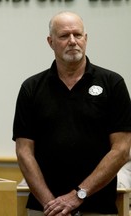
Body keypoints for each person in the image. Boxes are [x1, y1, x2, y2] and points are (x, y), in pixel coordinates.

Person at [13, 11, 131, 216]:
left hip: (97, 206)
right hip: (45, 208)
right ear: (50, 42)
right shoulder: (31, 88)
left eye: (77, 35)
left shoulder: (113, 84)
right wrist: (51, 204)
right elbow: (24, 152)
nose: (72, 41)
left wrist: (78, 195)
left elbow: (121, 150)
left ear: (86, 39)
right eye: (64, 36)